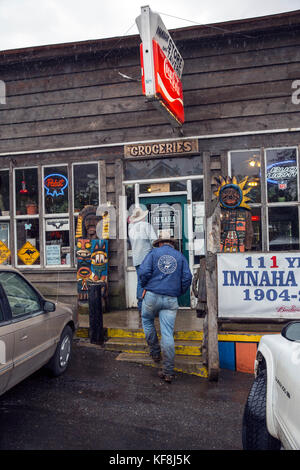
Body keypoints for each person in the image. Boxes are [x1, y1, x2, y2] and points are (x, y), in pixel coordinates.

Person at [138, 230, 192, 383]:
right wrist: (178, 291)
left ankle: (155, 352)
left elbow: (143, 272)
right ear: (172, 243)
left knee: (147, 321)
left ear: (160, 243)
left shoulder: (153, 254)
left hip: (152, 295)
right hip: (170, 299)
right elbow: (187, 278)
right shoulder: (180, 257)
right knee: (167, 333)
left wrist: (145, 285)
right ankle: (168, 371)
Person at [128, 206, 157, 314]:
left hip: (136, 260)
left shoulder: (131, 229)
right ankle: (149, 309)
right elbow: (154, 241)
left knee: (140, 282)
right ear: (143, 217)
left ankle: (140, 307)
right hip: (147, 259)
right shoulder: (146, 226)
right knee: (151, 283)